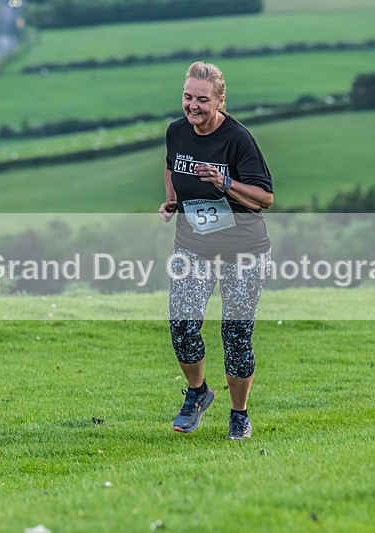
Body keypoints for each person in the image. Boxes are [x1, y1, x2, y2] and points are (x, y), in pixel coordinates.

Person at [159, 61, 274, 440]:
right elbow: (171, 165)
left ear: (220, 101)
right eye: (188, 97)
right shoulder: (177, 132)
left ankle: (239, 414)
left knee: (236, 335)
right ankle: (197, 394)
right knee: (183, 324)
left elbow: (264, 198)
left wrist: (225, 183)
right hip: (193, 246)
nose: (193, 106)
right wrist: (173, 199)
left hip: (243, 251)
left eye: (202, 100)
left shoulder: (238, 139)